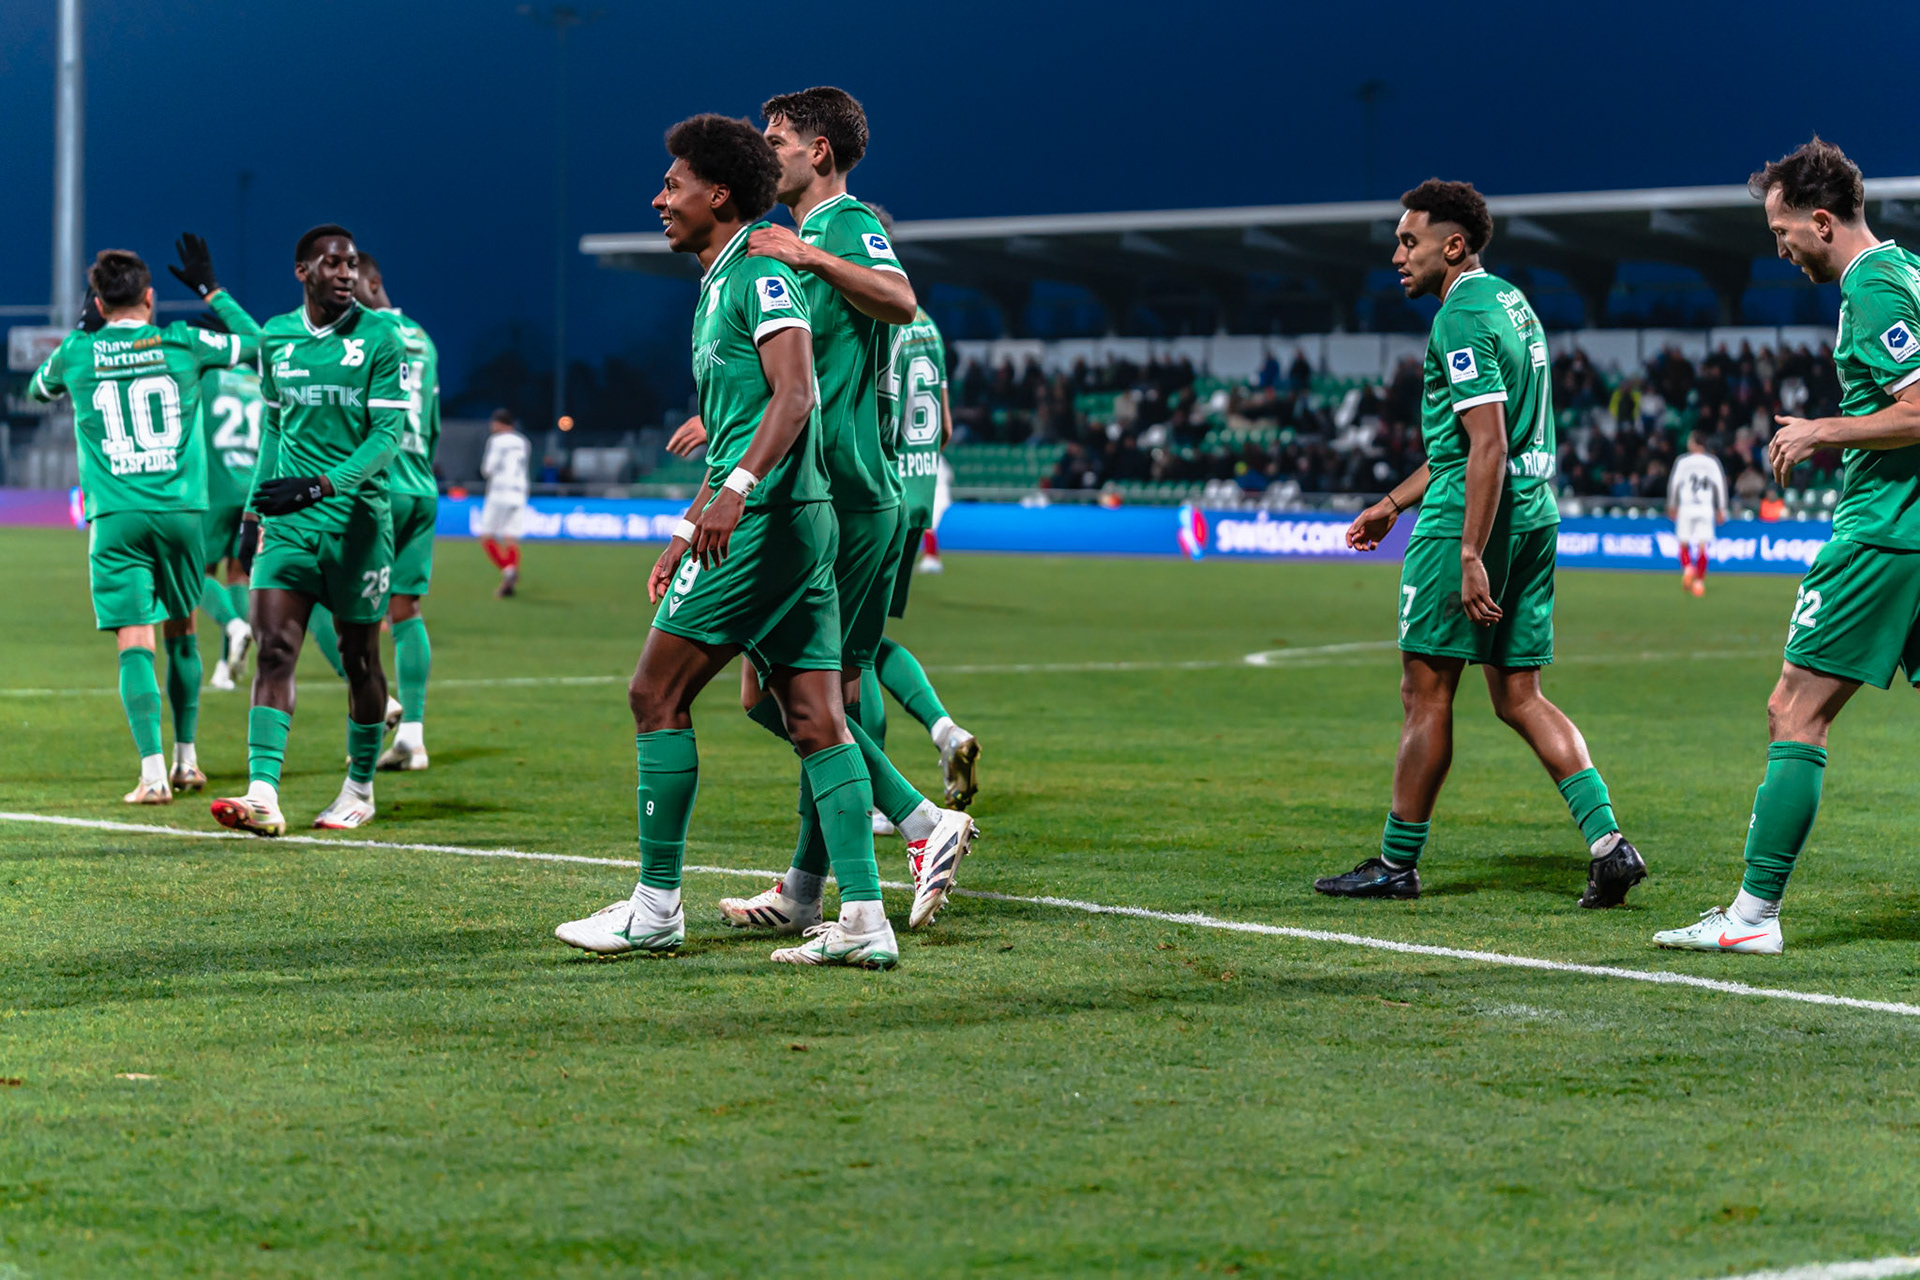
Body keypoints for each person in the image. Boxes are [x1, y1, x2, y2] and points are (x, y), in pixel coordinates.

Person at [553, 113, 899, 968]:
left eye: (673, 185)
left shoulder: (759, 268)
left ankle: (655, 907)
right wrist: (684, 525)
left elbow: (795, 396)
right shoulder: (720, 281)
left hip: (770, 522)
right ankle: (863, 920)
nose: (659, 198)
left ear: (719, 194)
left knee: (654, 695)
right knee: (818, 717)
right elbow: (745, 416)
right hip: (789, 516)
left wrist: (736, 494)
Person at [678, 87, 974, 933]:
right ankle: (810, 888)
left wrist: (813, 261)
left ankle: (919, 825)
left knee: (805, 698)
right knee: (796, 696)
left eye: (777, 141)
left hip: (841, 491)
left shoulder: (839, 225)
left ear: (820, 153)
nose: (764, 154)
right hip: (823, 489)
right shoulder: (794, 238)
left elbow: (899, 298)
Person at [1314, 179, 1646, 906]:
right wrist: (1390, 503)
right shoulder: (1512, 304)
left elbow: (1485, 446)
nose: (1397, 254)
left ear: (1453, 245)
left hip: (1473, 521)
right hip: (1534, 514)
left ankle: (1396, 864)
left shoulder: (1458, 316)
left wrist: (1468, 552)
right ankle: (1609, 843)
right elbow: (1476, 443)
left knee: (1425, 694)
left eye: (1410, 241)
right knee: (1520, 694)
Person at [1656, 139, 1920, 955]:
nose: (1779, 249)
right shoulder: (1907, 269)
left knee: (1793, 710)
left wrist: (1822, 431)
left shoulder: (1874, 288)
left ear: (1821, 220)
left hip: (1885, 534)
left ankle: (1752, 918)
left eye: (1782, 232)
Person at [29, 238, 260, 801]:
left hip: (117, 518)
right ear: (151, 298)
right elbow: (258, 342)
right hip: (182, 512)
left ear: (99, 303)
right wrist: (212, 289)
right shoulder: (183, 341)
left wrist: (84, 332)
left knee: (136, 638)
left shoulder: (78, 354)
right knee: (182, 630)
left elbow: (38, 389)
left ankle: (153, 774)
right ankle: (188, 760)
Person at [208, 225, 411, 836]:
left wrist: (324, 484)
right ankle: (264, 794)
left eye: (351, 263)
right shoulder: (276, 337)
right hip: (288, 526)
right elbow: (274, 430)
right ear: (304, 271)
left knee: (358, 659)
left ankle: (360, 787)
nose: (346, 273)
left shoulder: (382, 337)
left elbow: (386, 439)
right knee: (273, 651)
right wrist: (251, 514)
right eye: (333, 263)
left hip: (356, 525)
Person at [303, 253, 440, 768]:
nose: (338, 290)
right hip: (421, 485)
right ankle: (413, 739)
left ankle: (378, 702)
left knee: (309, 591)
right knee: (405, 612)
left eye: (346, 280)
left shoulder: (362, 337)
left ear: (372, 281)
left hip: (375, 486)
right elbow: (432, 422)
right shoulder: (423, 338)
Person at [866, 288, 980, 824]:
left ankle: (879, 798)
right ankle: (943, 730)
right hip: (916, 495)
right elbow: (947, 428)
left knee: (848, 649)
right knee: (863, 638)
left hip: (873, 493)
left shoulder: (868, 309)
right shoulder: (926, 322)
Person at [192, 308, 264, 692]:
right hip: (251, 487)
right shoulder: (254, 380)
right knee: (239, 572)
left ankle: (235, 625)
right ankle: (225, 667)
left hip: (213, 487)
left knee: (194, 573)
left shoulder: (204, 377)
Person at [1667, 430, 1729, 596]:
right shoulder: (1712, 462)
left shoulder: (1682, 461)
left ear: (1693, 443)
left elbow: (1674, 484)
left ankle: (1688, 568)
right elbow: (1720, 486)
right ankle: (1699, 584)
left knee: (1683, 543)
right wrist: (1721, 508)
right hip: (1705, 507)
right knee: (1703, 547)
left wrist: (1672, 504)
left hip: (1686, 506)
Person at [479, 408, 530, 597]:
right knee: (510, 538)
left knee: (487, 536)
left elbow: (488, 469)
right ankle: (508, 582)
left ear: (500, 423)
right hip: (519, 492)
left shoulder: (496, 441)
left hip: (500, 491)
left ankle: (508, 570)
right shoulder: (523, 441)